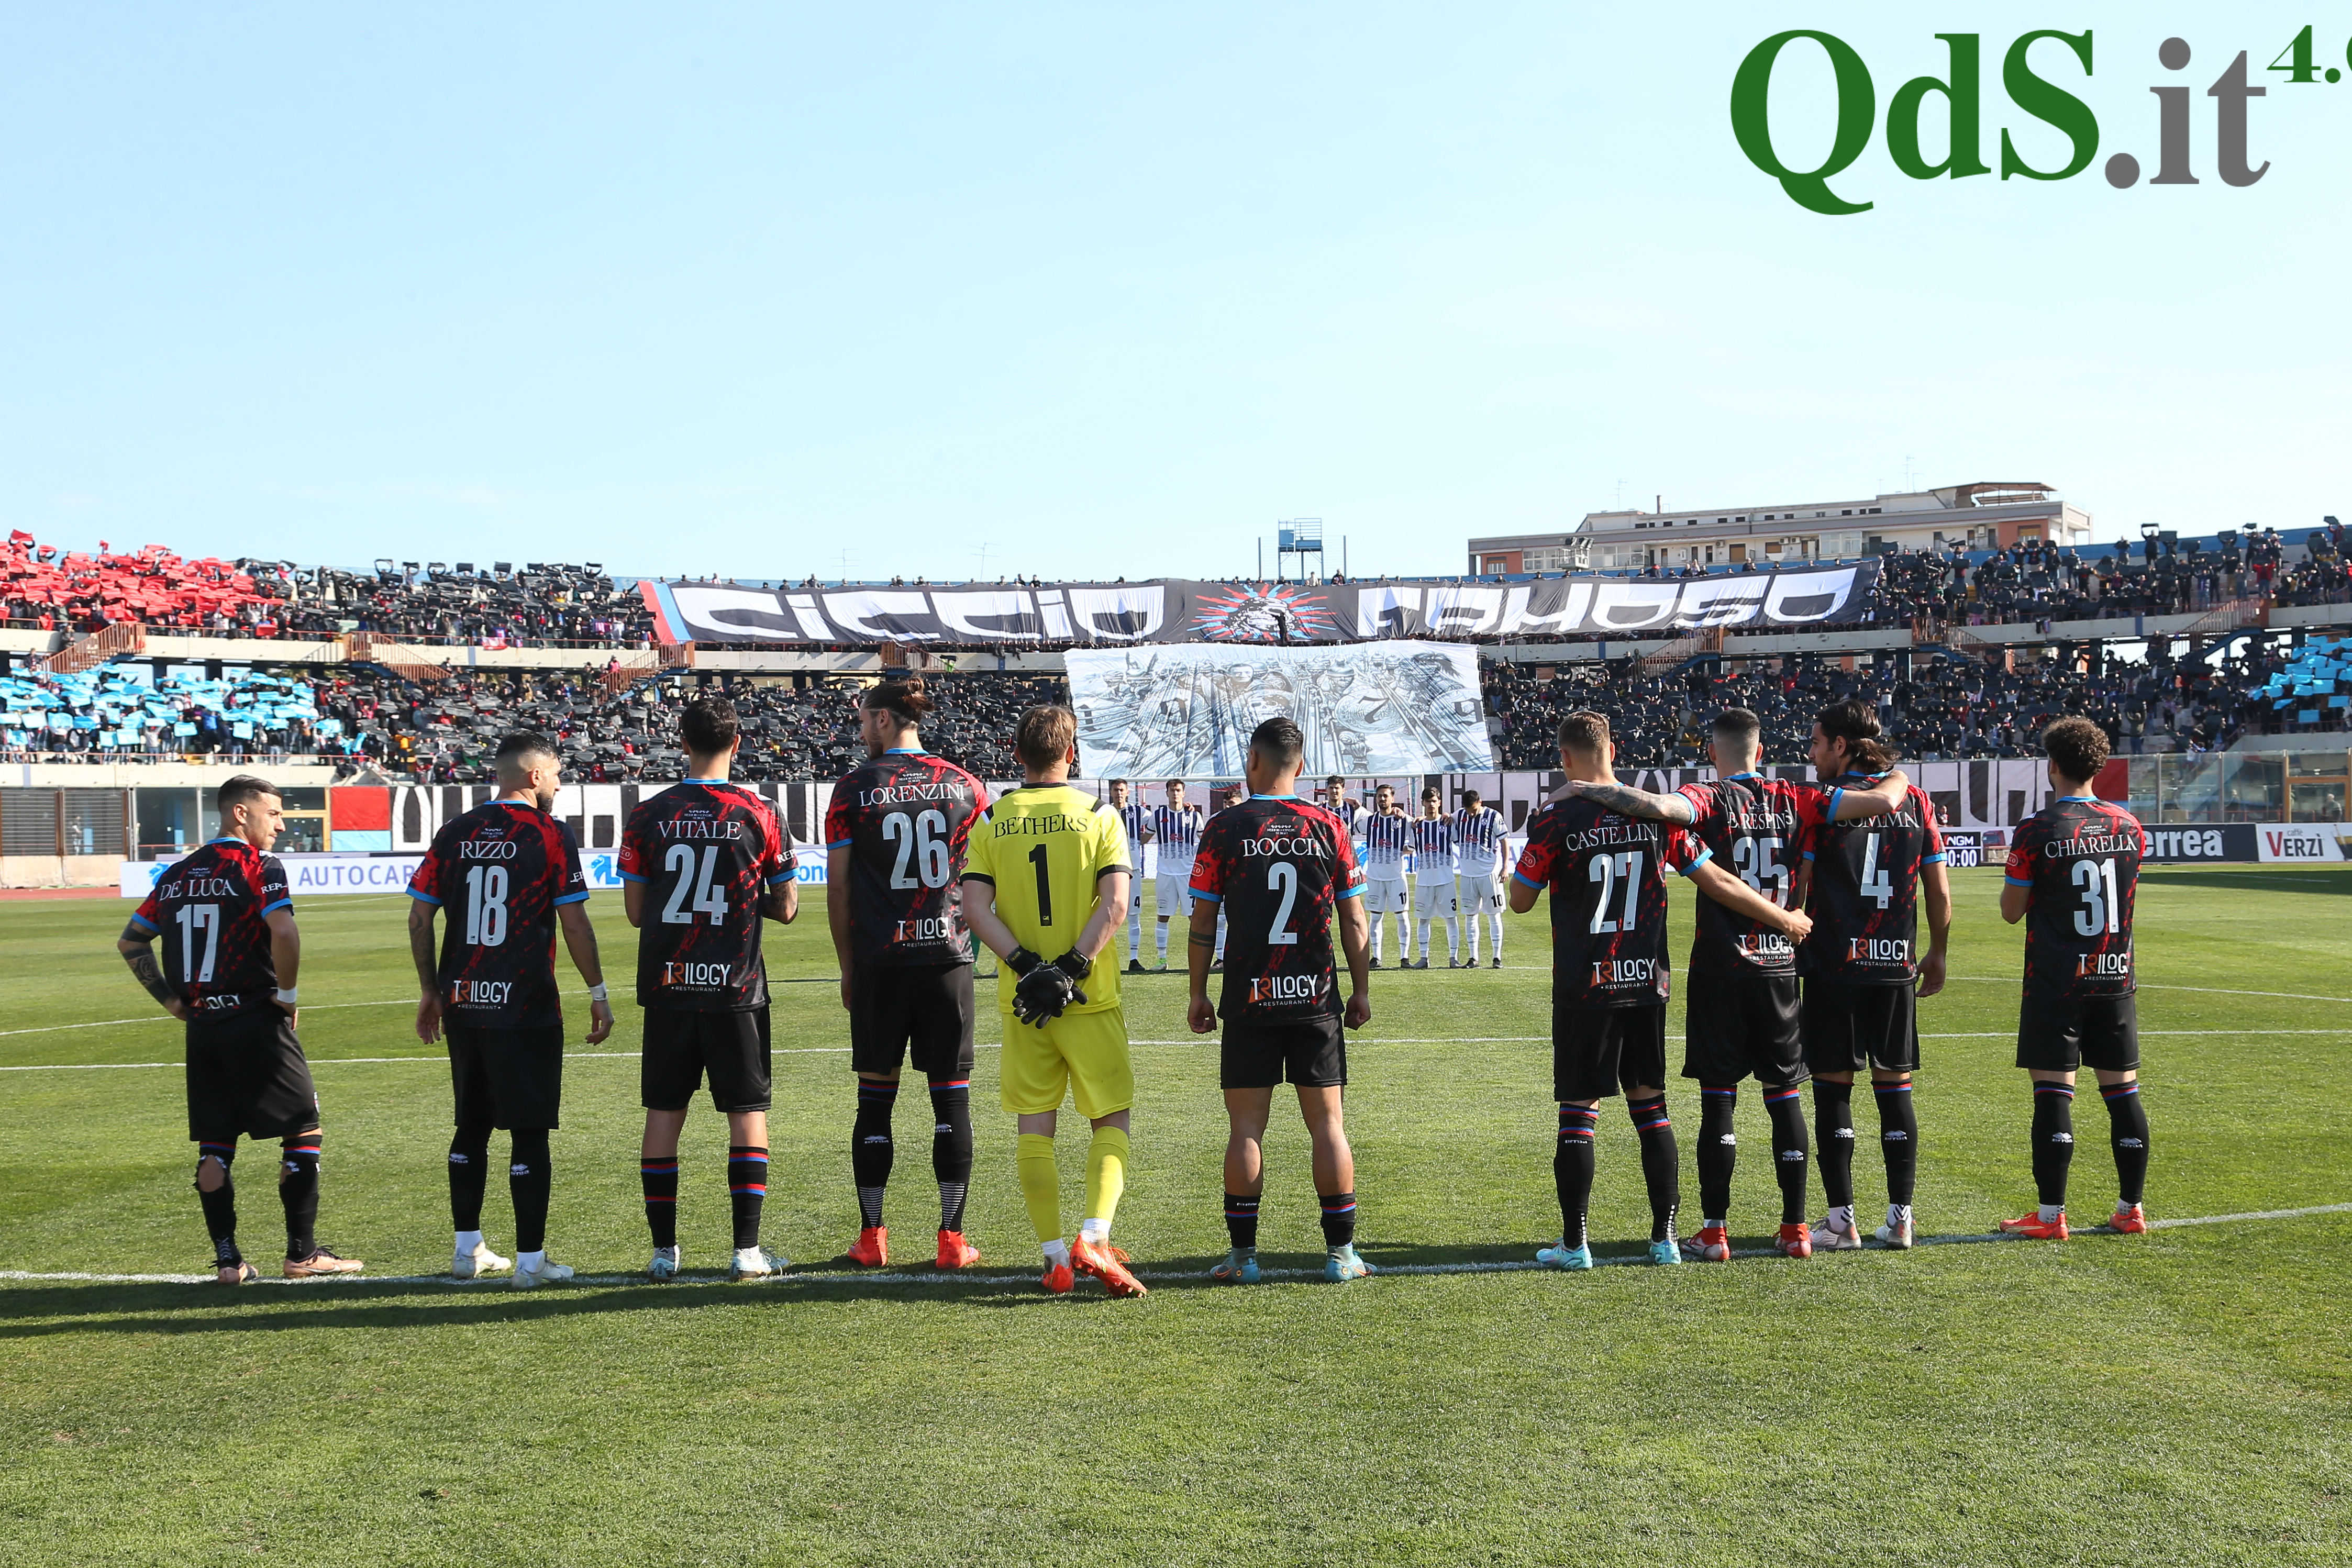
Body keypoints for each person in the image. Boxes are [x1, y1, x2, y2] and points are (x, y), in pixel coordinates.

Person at [1560, 708, 1911, 1263]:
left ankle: (1714, 1230)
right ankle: (1796, 1228)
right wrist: (1900, 778)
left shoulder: (1706, 797)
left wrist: (1592, 789)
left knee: (1719, 1101)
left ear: (1711, 753)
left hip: (1722, 968)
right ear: (1762, 748)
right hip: (1778, 967)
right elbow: (1886, 801)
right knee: (1785, 1096)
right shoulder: (1798, 796)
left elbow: (1659, 808)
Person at [1509, 712, 1810, 1270]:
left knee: (1579, 1109)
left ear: (1565, 758)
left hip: (1585, 984)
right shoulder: (1653, 816)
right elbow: (1717, 879)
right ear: (1614, 748)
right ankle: (1664, 1239)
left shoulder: (1556, 818)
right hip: (1645, 981)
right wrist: (1782, 918)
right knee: (1651, 1107)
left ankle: (1575, 1246)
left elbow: (1520, 900)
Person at [116, 775, 363, 1284]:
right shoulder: (259, 867)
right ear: (240, 814)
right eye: (273, 812)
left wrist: (170, 1001)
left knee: (215, 1148)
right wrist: (289, 997)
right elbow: (285, 930)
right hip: (256, 1020)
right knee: (302, 1131)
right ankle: (301, 1253)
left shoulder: (177, 874)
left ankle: (228, 1260)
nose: (282, 822)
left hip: (204, 1026)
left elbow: (131, 942)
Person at [408, 731, 615, 1288]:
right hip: (524, 1003)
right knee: (528, 1131)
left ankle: (466, 1249)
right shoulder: (549, 834)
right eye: (556, 774)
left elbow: (420, 918)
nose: (558, 784)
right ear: (533, 777)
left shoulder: (455, 831)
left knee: (470, 1125)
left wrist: (430, 988)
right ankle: (530, 1263)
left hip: (463, 999)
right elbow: (574, 921)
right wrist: (597, 992)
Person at [959, 705, 1147, 1298]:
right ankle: (1093, 1233)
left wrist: (1028, 970)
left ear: (1017, 754)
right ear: (1074, 755)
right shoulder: (1098, 814)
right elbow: (1114, 906)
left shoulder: (990, 818)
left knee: (1034, 1127)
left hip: (1026, 1004)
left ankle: (1052, 1259)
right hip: (1088, 997)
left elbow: (973, 910)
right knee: (1109, 1118)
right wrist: (1068, 968)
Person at [1186, 719, 1375, 1284]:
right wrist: (1360, 988)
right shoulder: (1328, 824)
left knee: (1246, 1127)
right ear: (1301, 763)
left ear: (1253, 760)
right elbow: (1355, 918)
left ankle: (1243, 1259)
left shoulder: (1224, 827)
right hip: (1314, 996)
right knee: (1328, 1126)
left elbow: (1202, 922)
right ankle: (1341, 1256)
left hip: (1249, 996)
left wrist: (1197, 991)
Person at [619, 697, 800, 1282]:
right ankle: (746, 1251)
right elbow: (789, 907)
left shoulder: (649, 814)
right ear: (739, 741)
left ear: (682, 740)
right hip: (736, 988)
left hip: (670, 984)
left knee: (663, 1113)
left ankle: (662, 1252)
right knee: (746, 1113)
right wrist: (747, 900)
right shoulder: (762, 812)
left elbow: (636, 910)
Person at [823, 677, 990, 1270]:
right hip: (947, 958)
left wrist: (847, 966)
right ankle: (952, 1239)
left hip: (880, 961)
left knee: (874, 1101)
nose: (860, 730)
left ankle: (872, 1237)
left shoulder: (852, 790)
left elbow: (838, 887)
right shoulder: (967, 784)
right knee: (951, 1103)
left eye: (865, 720)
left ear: (887, 720)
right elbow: (982, 875)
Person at [1794, 699, 1951, 1252]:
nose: (1811, 755)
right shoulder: (1918, 800)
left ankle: (1841, 1223)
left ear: (1840, 745)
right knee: (1894, 1087)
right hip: (1894, 965)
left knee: (1833, 1089)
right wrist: (1937, 950)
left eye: (1816, 743)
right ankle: (1901, 1218)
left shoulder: (1820, 801)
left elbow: (1803, 879)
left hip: (1835, 963)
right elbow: (1938, 888)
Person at [1998, 717, 2152, 1239]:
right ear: (2099, 765)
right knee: (2123, 1093)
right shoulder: (2129, 826)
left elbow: (2011, 911)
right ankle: (2130, 1208)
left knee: (2052, 1095)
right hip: (2115, 975)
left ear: (2053, 765)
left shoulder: (2037, 829)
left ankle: (2049, 1216)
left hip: (2056, 980)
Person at [1149, 780, 1207, 971]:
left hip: (1188, 875)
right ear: (1166, 793)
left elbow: (1205, 840)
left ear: (1184, 793)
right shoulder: (1157, 816)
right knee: (1163, 916)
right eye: (1172, 790)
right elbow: (1143, 838)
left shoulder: (1194, 816)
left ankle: (1198, 960)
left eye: (1178, 790)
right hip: (1165, 874)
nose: (1175, 793)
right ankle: (1161, 960)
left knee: (1195, 918)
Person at [1453, 788, 1506, 969]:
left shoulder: (1493, 816)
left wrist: (1505, 866)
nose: (1471, 814)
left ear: (1480, 803)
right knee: (1470, 916)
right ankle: (1473, 957)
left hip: (1488, 874)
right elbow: (1443, 817)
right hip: (1467, 875)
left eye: (1474, 810)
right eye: (1469, 810)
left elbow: (1504, 840)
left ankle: (1497, 957)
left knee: (1494, 915)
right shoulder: (1460, 815)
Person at [1358, 784, 1411, 969]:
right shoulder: (1369, 821)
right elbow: (1351, 811)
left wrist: (1404, 850)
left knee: (1402, 917)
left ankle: (1405, 957)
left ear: (1392, 799)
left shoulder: (1404, 820)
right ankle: (1376, 957)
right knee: (1375, 918)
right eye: (1379, 796)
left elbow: (1420, 825)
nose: (1382, 799)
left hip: (1396, 877)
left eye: (1386, 796)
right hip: (1375, 878)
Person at [1409, 786, 1459, 968]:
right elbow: (1411, 847)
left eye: (1434, 801)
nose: (1431, 805)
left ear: (1439, 803)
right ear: (1423, 803)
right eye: (1428, 801)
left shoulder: (1448, 824)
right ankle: (1424, 958)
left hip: (1446, 880)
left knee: (1451, 919)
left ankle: (1454, 958)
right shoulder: (1417, 826)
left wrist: (1450, 815)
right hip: (1424, 881)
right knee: (1423, 919)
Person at [1108, 778, 1149, 973]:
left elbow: (1159, 820)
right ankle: (1106, 959)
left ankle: (1134, 959)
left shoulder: (1139, 812)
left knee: (1134, 916)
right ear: (1111, 792)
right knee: (1106, 916)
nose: (1118, 793)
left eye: (1121, 790)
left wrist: (1187, 807)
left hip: (1134, 872)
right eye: (1115, 790)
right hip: (1109, 873)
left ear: (1127, 792)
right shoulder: (1104, 812)